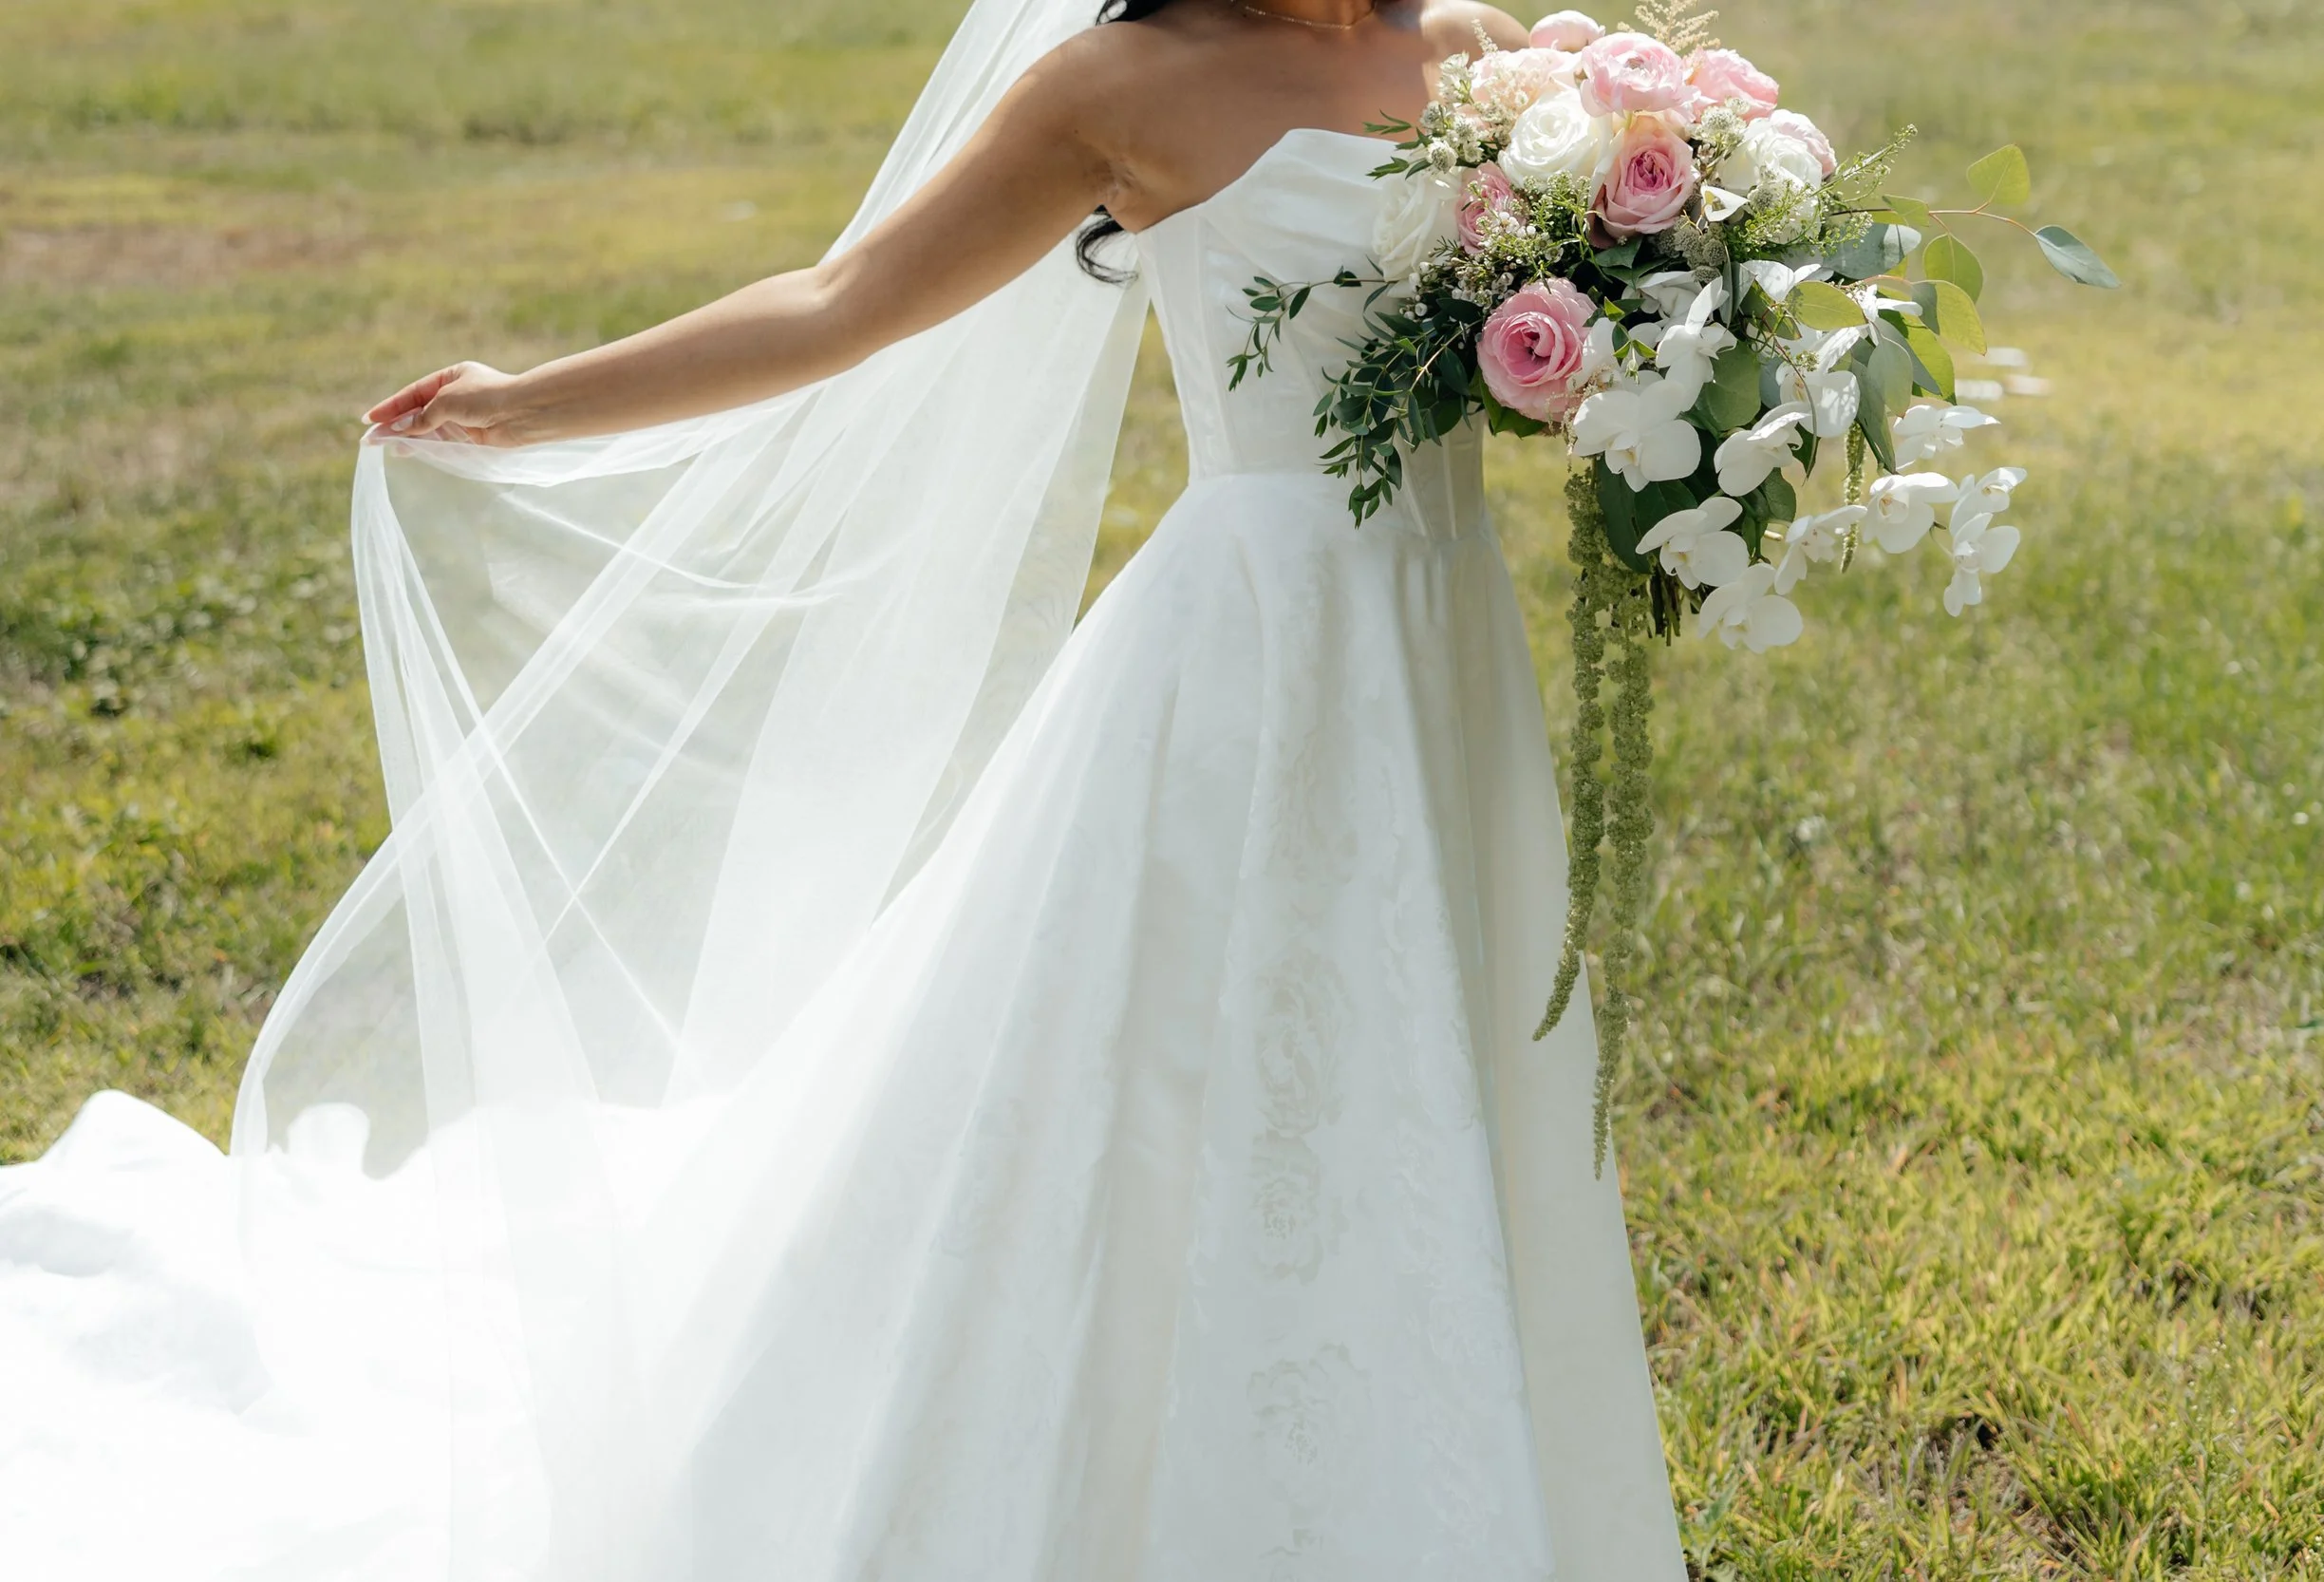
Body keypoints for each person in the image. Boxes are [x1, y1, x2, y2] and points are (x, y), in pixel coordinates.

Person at [0, 0, 1687, 1575]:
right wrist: (530, 404)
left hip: (1439, 624)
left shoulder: (1485, 55)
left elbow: (1628, 290)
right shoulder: (1123, 88)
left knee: (1434, 1024)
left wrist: (1722, 297)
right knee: (1186, 1049)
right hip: (1251, 651)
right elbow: (841, 303)